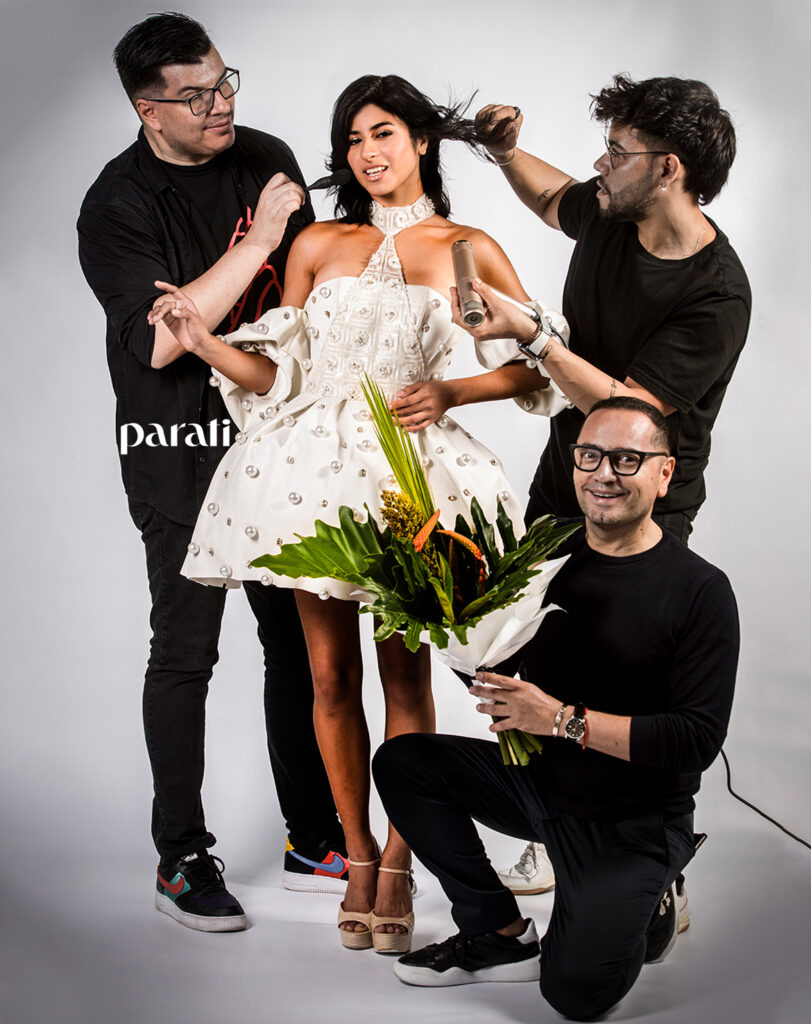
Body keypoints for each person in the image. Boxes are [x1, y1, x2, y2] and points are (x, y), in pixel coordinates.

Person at [148, 74, 562, 953]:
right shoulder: (317, 242)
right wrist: (203, 341)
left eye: (383, 133)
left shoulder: (466, 246)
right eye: (351, 138)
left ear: (420, 140)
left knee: (405, 679)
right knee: (328, 678)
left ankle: (405, 863)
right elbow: (280, 378)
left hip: (411, 477)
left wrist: (451, 390)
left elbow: (536, 363)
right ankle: (360, 855)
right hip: (312, 478)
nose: (366, 153)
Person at [77, 13, 346, 933]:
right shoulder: (116, 205)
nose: (220, 104)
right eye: (194, 96)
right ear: (146, 110)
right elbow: (162, 343)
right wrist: (259, 240)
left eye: (225, 81)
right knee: (186, 651)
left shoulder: (261, 155)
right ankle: (181, 857)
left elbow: (308, 303)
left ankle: (313, 837)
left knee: (294, 642)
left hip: (275, 438)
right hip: (176, 449)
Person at [461, 73, 751, 894]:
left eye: (617, 152)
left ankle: (656, 861)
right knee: (521, 643)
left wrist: (532, 337)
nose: (599, 164)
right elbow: (551, 197)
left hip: (645, 501)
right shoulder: (610, 210)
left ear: (667, 169)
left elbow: (627, 418)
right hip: (565, 480)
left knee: (622, 674)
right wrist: (506, 154)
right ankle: (553, 823)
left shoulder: (715, 294)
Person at [373, 397, 739, 1019]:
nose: (603, 474)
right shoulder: (545, 557)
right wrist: (450, 618)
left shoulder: (700, 590)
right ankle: (496, 932)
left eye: (626, 459)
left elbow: (695, 740)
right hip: (538, 786)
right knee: (404, 762)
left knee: (576, 996)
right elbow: (498, 668)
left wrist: (561, 720)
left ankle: (654, 891)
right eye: (589, 456)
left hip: (633, 819)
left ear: (665, 473)